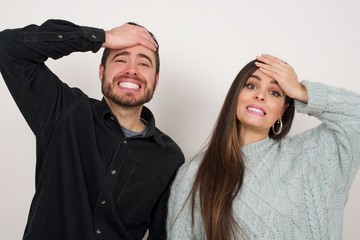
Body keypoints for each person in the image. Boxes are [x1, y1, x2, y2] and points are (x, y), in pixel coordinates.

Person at [0, 19, 184, 240]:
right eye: (120, 59)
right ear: (101, 72)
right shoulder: (64, 111)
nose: (132, 71)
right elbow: (7, 47)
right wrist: (103, 37)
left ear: (155, 80)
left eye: (144, 64)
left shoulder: (169, 157)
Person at [166, 54, 360, 240]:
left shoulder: (313, 155)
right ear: (236, 96)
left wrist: (300, 91)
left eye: (275, 92)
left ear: (282, 110)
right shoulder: (194, 173)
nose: (260, 96)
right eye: (251, 86)